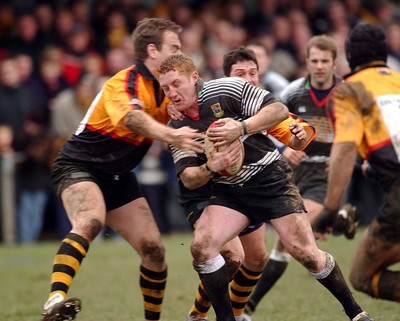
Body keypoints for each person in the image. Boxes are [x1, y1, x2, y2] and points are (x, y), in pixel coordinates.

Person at [158, 54, 374, 321]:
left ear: (194, 77)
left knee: (304, 253)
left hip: (269, 180)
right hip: (228, 191)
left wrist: (241, 128)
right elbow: (189, 177)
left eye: (176, 84)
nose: (172, 93)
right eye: (166, 88)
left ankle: (356, 313)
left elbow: (280, 112)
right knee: (205, 247)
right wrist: (212, 167)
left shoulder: (227, 89)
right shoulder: (177, 124)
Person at [40, 18, 203, 321]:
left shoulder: (168, 89)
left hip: (118, 176)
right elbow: (132, 119)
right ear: (152, 50)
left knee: (154, 250)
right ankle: (55, 301)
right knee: (90, 221)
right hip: (79, 165)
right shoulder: (124, 82)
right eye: (174, 47)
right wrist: (171, 134)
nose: (181, 52)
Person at [168, 46, 314, 321]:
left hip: (246, 185)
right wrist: (172, 106)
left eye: (253, 73)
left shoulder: (258, 104)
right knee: (231, 256)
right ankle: (200, 315)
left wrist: (295, 141)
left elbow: (293, 135)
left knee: (256, 258)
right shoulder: (214, 99)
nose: (247, 79)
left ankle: (237, 313)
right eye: (240, 74)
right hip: (208, 190)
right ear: (227, 79)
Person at [245, 35, 354, 317]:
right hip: (296, 171)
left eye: (325, 61)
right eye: (314, 61)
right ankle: (339, 221)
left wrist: (349, 159)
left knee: (290, 237)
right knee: (292, 241)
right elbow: (272, 124)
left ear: (334, 62)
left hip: (327, 173)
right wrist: (284, 148)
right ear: (306, 61)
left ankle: (248, 308)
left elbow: (361, 132)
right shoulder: (292, 92)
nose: (319, 66)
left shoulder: (346, 93)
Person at [312, 23, 400, 302]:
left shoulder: (350, 90)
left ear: (349, 56)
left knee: (363, 275)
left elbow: (345, 148)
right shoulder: (397, 80)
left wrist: (329, 207)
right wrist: (370, 169)